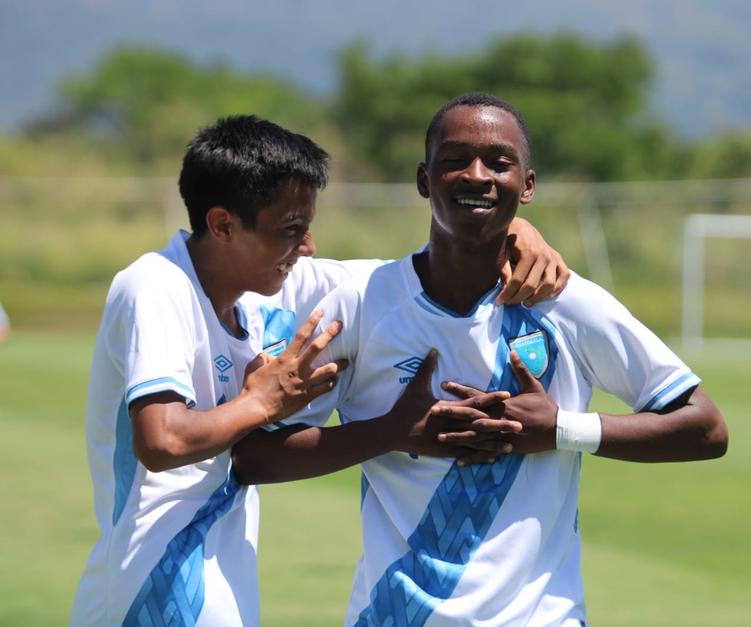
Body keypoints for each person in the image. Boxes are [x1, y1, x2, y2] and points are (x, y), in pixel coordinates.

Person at [233, 93, 728, 625]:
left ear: (528, 185)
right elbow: (256, 456)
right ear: (424, 180)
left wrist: (561, 430)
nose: (476, 175)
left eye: (498, 162)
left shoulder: (565, 303)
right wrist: (395, 432)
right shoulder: (362, 303)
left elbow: (704, 428)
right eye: (454, 161)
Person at [70, 114, 568, 626]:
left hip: (221, 583)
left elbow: (417, 273)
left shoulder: (271, 284)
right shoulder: (156, 284)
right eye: (290, 229)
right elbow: (162, 441)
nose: (307, 246)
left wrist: (512, 229)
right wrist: (261, 402)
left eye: (308, 227)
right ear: (223, 225)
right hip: (144, 590)